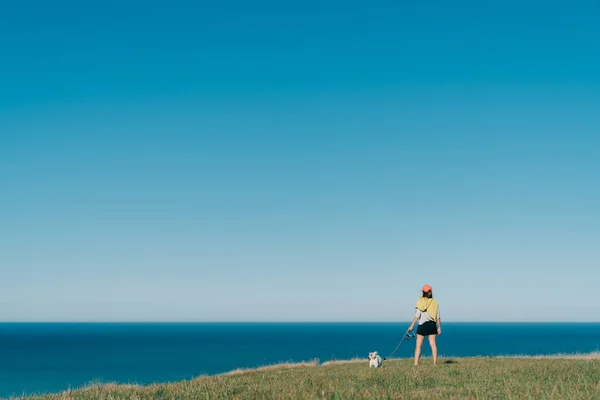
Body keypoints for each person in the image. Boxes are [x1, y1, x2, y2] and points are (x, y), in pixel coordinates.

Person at [407, 284, 441, 365]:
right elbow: (438, 316)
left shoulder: (420, 302)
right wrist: (439, 327)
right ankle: (435, 363)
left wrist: (411, 325)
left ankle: (416, 363)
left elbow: (417, 315)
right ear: (431, 292)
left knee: (418, 345)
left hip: (422, 325)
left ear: (423, 292)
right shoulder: (435, 303)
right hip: (432, 325)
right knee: (433, 344)